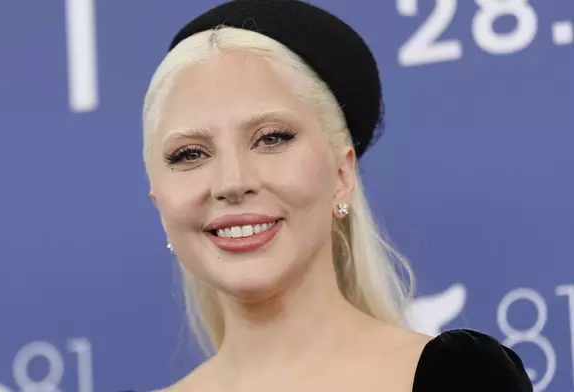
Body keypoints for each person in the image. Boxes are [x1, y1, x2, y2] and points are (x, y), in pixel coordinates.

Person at [139, 0, 533, 391]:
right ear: (160, 205)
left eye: (271, 138)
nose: (231, 182)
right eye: (189, 154)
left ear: (342, 174)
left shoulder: (461, 378)